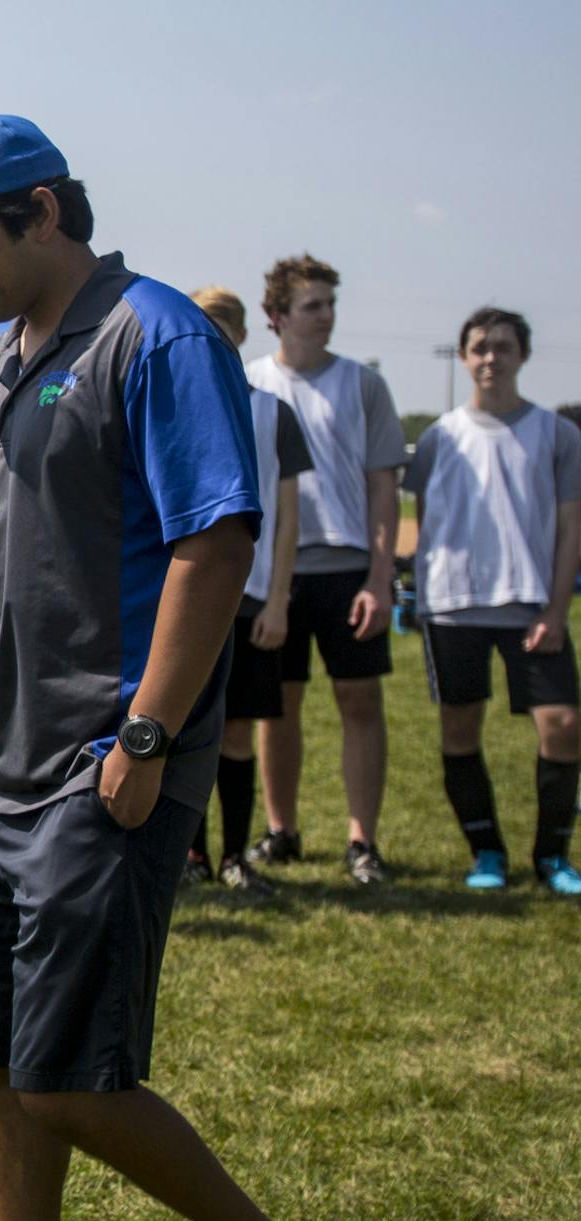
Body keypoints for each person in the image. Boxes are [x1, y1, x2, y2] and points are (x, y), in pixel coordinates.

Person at [0, 113, 360, 1221]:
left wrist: (146, 735)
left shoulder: (158, 337)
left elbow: (215, 543)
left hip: (103, 763)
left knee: (70, 1077)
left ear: (38, 212)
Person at [404, 307, 581, 894]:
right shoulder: (439, 437)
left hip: (532, 610)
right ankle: (487, 853)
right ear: (463, 357)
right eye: (479, 347)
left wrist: (556, 610)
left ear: (522, 356)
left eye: (503, 347)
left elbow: (569, 530)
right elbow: (428, 522)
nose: (490, 358)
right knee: (460, 731)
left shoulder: (557, 435)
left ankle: (552, 856)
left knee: (562, 727)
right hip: (453, 609)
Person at [244, 256, 407, 885]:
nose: (327, 316)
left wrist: (378, 577)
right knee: (275, 706)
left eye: (331, 305)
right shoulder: (251, 382)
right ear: (277, 316)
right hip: (270, 574)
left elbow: (383, 489)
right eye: (314, 305)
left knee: (359, 700)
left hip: (346, 567)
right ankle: (281, 830)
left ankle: (362, 839)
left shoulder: (363, 385)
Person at [185, 287, 311, 895]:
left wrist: (280, 598)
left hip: (252, 598)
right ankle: (190, 854)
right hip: (182, 601)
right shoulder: (172, 401)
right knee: (179, 725)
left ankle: (235, 854)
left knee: (237, 732)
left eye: (222, 328)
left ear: (239, 336)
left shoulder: (273, 412)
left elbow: (287, 519)